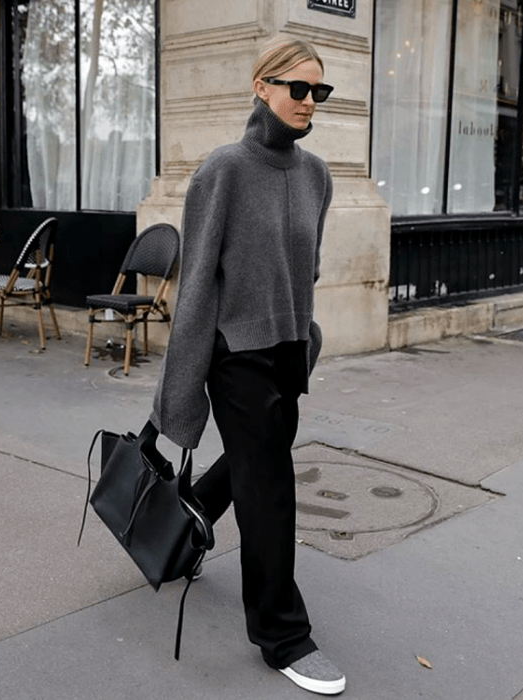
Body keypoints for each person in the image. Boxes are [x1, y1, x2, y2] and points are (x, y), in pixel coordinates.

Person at [150, 35, 345, 696]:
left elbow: (306, 271)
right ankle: (281, 634)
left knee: (252, 464)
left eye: (319, 91)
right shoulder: (222, 171)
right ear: (261, 86)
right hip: (235, 356)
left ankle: (183, 527)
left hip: (288, 351)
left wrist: (304, 340)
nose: (308, 101)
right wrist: (181, 389)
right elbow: (198, 284)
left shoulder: (317, 174)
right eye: (298, 87)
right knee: (270, 491)